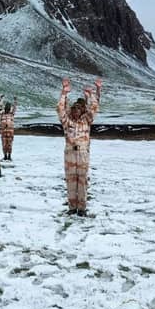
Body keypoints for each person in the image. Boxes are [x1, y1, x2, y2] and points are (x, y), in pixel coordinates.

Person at [57, 77, 102, 216]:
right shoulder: (67, 122)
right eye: (74, 109)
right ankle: (72, 207)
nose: (76, 111)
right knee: (70, 181)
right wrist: (64, 93)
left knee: (82, 181)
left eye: (78, 109)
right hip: (70, 154)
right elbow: (60, 109)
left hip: (82, 154)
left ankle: (82, 208)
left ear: (82, 110)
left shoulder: (86, 121)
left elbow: (94, 108)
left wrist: (91, 95)